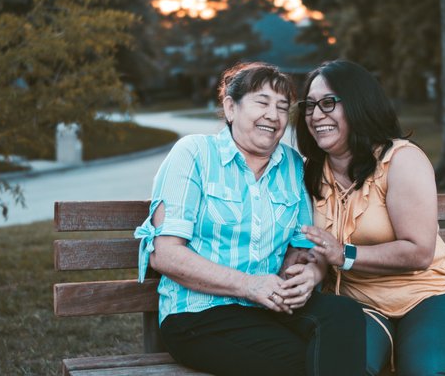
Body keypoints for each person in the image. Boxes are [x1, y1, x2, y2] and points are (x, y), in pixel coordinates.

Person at [134, 62, 366, 376]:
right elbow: (165, 254)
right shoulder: (194, 154)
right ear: (231, 107)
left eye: (283, 107)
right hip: (199, 315)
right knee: (305, 361)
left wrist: (303, 274)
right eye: (262, 102)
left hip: (267, 306)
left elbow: (301, 246)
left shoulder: (294, 166)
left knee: (343, 315)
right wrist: (248, 285)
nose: (274, 115)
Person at [293, 60, 445, 376]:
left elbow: (418, 252)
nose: (316, 115)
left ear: (359, 104)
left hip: (427, 298)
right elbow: (315, 248)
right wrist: (309, 271)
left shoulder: (401, 160)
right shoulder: (309, 172)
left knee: (424, 371)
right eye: (309, 105)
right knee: (347, 367)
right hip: (358, 305)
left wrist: (344, 254)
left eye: (328, 103)